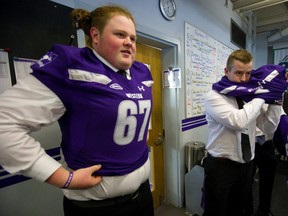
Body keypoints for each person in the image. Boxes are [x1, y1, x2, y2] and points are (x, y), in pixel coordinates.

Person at [0, 5, 154, 216]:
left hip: (143, 196)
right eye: (120, 34)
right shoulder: (73, 66)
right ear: (95, 35)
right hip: (99, 208)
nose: (129, 42)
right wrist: (64, 178)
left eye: (133, 38)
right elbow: (3, 123)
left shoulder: (141, 72)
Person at [203, 50, 284, 216]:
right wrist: (263, 95)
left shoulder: (251, 96)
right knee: (216, 212)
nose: (244, 79)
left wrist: (276, 100)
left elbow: (267, 130)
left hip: (246, 165)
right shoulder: (214, 96)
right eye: (239, 73)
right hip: (221, 167)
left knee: (238, 210)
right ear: (227, 71)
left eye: (248, 73)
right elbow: (238, 121)